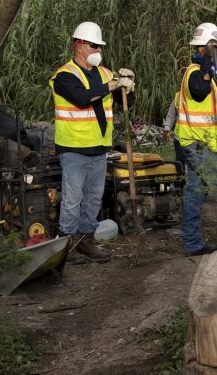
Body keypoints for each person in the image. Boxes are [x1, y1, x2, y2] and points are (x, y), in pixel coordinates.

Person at [49, 21, 135, 262]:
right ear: (78, 45)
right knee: (72, 199)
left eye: (100, 46)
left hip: (99, 148)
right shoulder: (64, 76)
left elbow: (125, 100)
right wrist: (112, 85)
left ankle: (86, 241)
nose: (98, 50)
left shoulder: (106, 73)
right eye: (94, 45)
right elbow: (82, 99)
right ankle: (68, 245)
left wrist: (128, 86)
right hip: (73, 148)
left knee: (93, 199)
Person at [174, 22, 217, 256]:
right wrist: (208, 65)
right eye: (216, 47)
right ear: (204, 48)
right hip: (202, 146)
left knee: (195, 192)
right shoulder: (195, 73)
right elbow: (199, 91)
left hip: (206, 143)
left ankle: (193, 243)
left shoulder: (207, 73)